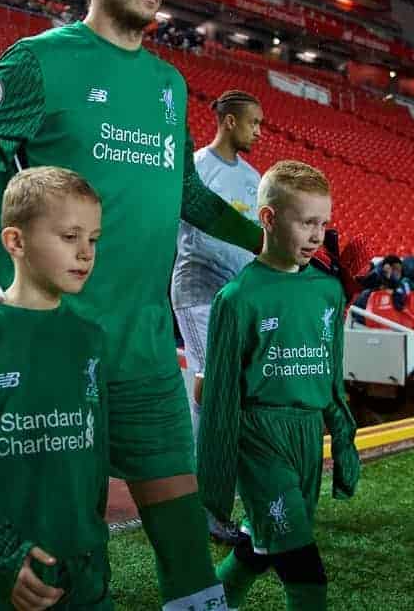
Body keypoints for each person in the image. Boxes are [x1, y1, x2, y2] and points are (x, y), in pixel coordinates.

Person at [0, 0, 266, 611]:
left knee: (188, 557)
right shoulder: (38, 61)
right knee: (51, 564)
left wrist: (269, 243)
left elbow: (188, 196)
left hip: (144, 352)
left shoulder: (171, 85)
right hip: (51, 349)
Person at [0, 167, 110, 610]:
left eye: (93, 238)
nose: (86, 253)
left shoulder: (91, 337)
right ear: (14, 241)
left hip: (81, 569)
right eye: (69, 237)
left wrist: (92, 540)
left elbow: (94, 461)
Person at [197, 160, 359, 611]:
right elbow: (221, 397)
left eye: (323, 223)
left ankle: (209, 604)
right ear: (268, 219)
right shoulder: (237, 298)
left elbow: (331, 371)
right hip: (260, 437)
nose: (317, 234)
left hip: (307, 436)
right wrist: (213, 481)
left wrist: (342, 437)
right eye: (307, 222)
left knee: (261, 548)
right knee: (305, 571)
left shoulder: (328, 292)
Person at [169, 89, 263, 545]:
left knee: (227, 388)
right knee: (211, 383)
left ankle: (212, 489)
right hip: (198, 287)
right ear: (229, 121)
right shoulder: (198, 168)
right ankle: (198, 499)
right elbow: (187, 228)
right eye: (252, 123)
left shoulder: (253, 177)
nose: (258, 131)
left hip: (237, 295)